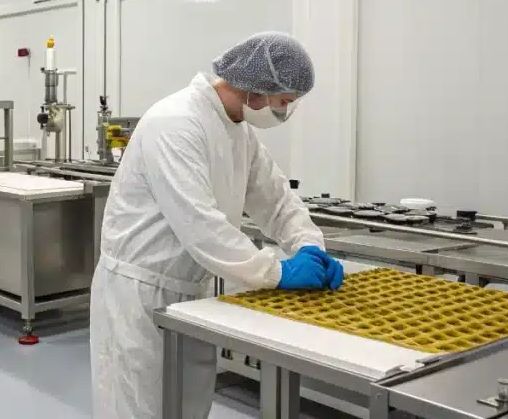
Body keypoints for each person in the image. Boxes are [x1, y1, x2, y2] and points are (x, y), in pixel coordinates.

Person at [89, 32, 345, 419]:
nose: (284, 113)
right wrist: (278, 271)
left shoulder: (238, 130)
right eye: (284, 103)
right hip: (140, 295)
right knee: (137, 407)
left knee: (188, 407)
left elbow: (275, 199)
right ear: (257, 90)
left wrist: (309, 245)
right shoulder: (176, 122)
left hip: (191, 292)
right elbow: (201, 227)